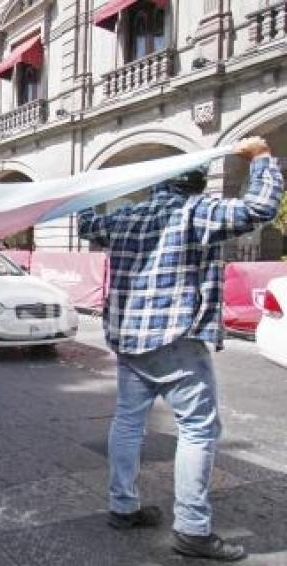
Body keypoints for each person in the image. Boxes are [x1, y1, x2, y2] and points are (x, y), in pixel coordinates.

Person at [78, 137, 283, 562]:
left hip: (128, 339)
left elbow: (86, 224)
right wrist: (262, 158)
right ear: (196, 184)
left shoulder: (127, 217)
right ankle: (192, 529)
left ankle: (123, 506)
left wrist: (88, 191)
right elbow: (260, 207)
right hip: (176, 341)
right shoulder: (197, 210)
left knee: (128, 422)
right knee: (197, 430)